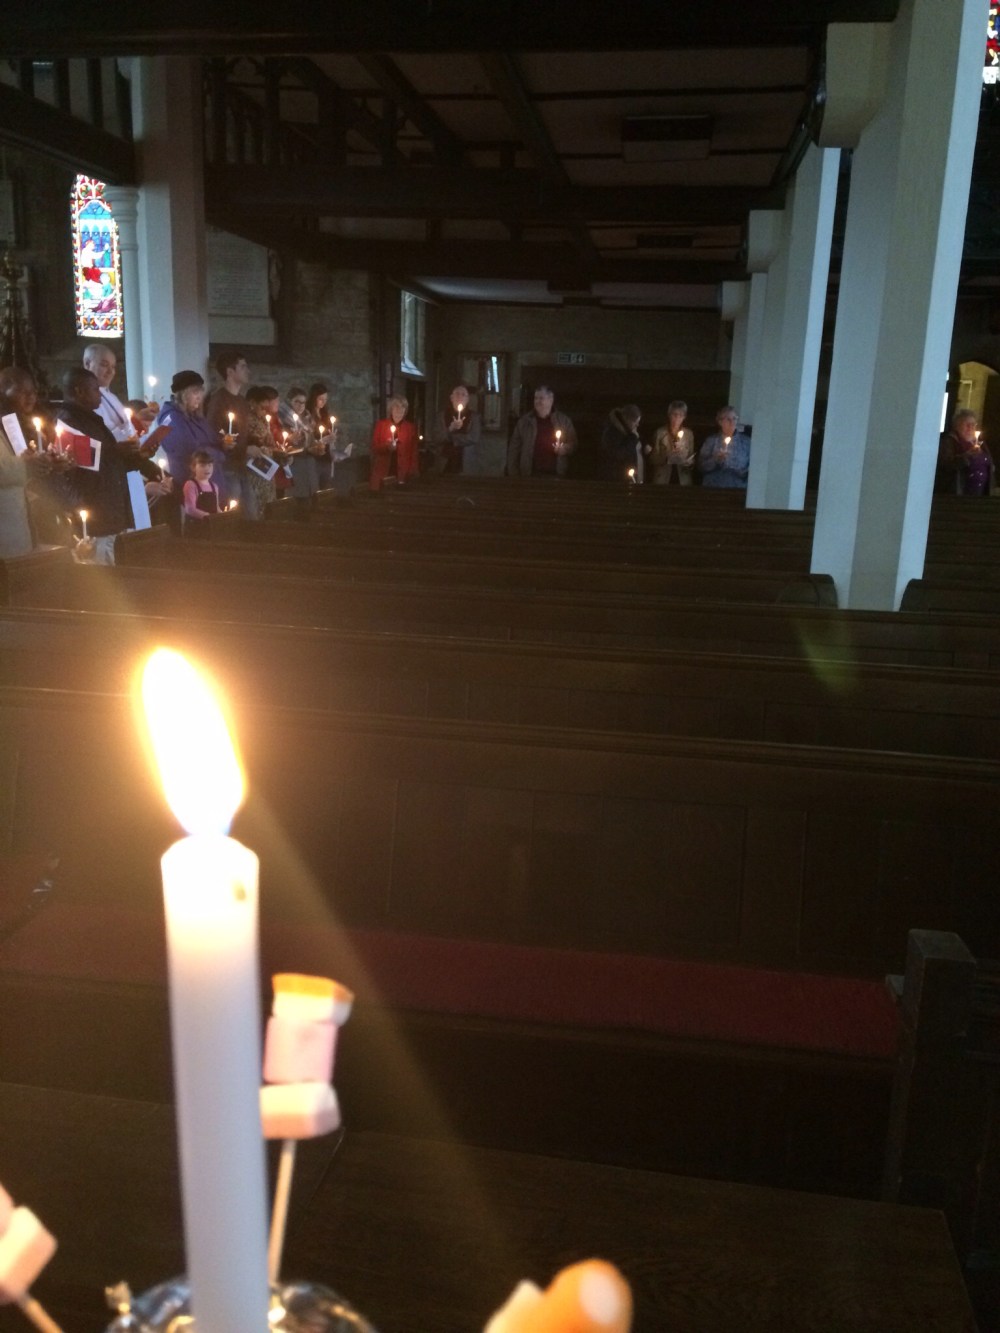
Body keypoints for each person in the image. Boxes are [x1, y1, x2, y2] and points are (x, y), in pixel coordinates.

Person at [57, 367, 159, 563]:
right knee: (99, 572)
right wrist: (116, 451)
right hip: (95, 516)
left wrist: (139, 456)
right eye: (95, 389)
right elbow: (82, 460)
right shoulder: (67, 421)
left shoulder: (92, 420)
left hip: (110, 512)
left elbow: (113, 462)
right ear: (79, 391)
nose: (100, 395)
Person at [150, 370, 225, 507]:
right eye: (195, 392)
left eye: (201, 392)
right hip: (193, 488)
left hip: (211, 484)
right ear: (183, 394)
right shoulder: (171, 418)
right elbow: (191, 451)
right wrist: (219, 453)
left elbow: (213, 439)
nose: (199, 397)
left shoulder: (195, 416)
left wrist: (223, 443)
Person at [205, 350, 255, 516]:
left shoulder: (241, 401)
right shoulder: (218, 400)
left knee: (251, 514)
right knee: (232, 514)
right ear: (230, 372)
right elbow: (213, 432)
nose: (248, 371)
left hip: (241, 465)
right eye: (243, 367)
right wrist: (226, 442)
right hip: (226, 467)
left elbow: (243, 432)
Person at [82, 344, 156, 443]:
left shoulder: (112, 397)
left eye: (113, 367)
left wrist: (140, 422)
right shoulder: (85, 398)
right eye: (104, 365)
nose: (111, 371)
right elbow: (105, 437)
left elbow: (125, 428)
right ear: (87, 364)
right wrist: (136, 421)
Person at [507, 385, 577, 478]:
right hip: (529, 475)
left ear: (551, 400)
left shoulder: (564, 421)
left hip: (556, 474)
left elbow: (573, 443)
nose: (537, 401)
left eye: (541, 398)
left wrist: (565, 449)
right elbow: (513, 450)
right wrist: (514, 475)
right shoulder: (524, 422)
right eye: (535, 398)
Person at [937, 408, 994, 496]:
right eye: (966, 424)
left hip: (981, 494)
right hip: (959, 495)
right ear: (957, 426)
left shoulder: (980, 443)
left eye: (973, 424)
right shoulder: (949, 442)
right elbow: (946, 465)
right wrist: (967, 456)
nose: (970, 428)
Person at [370, 394, 419, 490]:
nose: (399, 410)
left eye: (402, 407)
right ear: (391, 409)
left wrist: (413, 473)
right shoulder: (381, 425)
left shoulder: (410, 428)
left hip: (402, 473)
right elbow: (374, 447)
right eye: (396, 407)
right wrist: (387, 447)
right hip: (383, 470)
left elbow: (413, 453)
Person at [431, 385, 481, 474]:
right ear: (451, 398)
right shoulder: (441, 416)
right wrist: (450, 429)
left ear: (467, 399)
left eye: (463, 395)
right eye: (457, 394)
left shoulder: (474, 417)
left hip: (466, 462)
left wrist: (452, 438)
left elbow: (474, 437)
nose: (460, 397)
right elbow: (436, 437)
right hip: (444, 461)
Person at [698, 406, 750, 489]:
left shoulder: (746, 442)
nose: (732, 422)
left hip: (738, 488)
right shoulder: (711, 441)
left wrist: (733, 465)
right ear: (720, 422)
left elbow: (751, 469)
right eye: (728, 419)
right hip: (713, 487)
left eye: (734, 418)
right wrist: (715, 460)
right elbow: (701, 466)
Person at [650, 400, 695, 486]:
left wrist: (688, 462)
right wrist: (667, 458)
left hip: (682, 478)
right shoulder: (660, 433)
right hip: (663, 477)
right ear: (669, 415)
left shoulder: (688, 434)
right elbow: (653, 458)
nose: (677, 418)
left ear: (684, 417)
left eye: (680, 415)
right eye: (674, 414)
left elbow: (691, 456)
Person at [599, 404, 643, 482]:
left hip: (627, 476)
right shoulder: (611, 433)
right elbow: (618, 454)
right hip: (616, 478)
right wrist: (632, 439)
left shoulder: (629, 432)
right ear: (626, 419)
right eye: (635, 422)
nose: (637, 425)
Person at [181, 450, 221, 535]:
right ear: (193, 468)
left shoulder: (214, 486)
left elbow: (216, 507)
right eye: (202, 465)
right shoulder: (190, 484)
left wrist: (223, 516)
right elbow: (190, 509)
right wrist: (209, 516)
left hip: (211, 527)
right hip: (195, 528)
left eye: (210, 465)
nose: (207, 468)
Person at [306, 382, 334, 489]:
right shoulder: (308, 415)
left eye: (325, 399)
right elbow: (309, 438)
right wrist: (323, 440)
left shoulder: (324, 414)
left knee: (326, 489)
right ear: (314, 398)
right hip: (314, 458)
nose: (323, 402)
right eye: (320, 399)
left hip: (326, 457)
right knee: (314, 489)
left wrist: (331, 439)